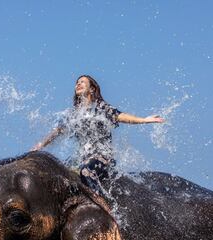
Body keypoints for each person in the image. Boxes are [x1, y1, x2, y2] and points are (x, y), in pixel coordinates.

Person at [31, 75, 164, 195]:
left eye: (82, 82)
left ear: (92, 89)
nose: (78, 84)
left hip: (102, 158)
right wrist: (40, 145)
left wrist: (144, 120)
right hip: (81, 157)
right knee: (57, 174)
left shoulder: (101, 108)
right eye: (77, 82)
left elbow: (120, 116)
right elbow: (58, 131)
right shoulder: (73, 114)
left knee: (85, 171)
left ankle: (102, 206)